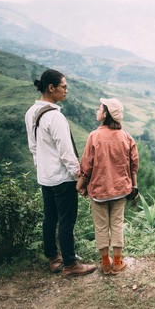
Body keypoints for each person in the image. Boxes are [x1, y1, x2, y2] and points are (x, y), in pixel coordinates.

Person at [25, 69, 97, 277]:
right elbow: (67, 153)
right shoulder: (55, 117)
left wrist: (42, 168)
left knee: (50, 217)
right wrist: (80, 178)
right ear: (51, 88)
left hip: (45, 177)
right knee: (66, 220)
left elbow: (33, 147)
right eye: (64, 87)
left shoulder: (31, 112)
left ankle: (53, 258)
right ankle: (70, 264)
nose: (66, 90)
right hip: (62, 178)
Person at [76, 97, 139, 275]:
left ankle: (105, 264)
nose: (97, 111)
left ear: (106, 114)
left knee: (101, 227)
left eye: (99, 109)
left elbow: (87, 165)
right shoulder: (126, 137)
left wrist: (80, 185)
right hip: (120, 190)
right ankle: (117, 263)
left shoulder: (94, 136)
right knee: (117, 224)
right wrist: (134, 187)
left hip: (99, 191)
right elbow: (134, 165)